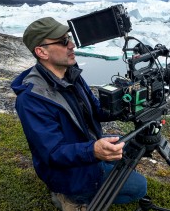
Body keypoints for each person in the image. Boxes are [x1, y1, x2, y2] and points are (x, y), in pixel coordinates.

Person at [11, 17, 147, 211]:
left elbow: (96, 110)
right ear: (42, 52)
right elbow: (52, 153)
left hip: (86, 147)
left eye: (69, 38)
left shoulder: (71, 74)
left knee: (127, 148)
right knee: (139, 188)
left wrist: (125, 104)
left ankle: (98, 175)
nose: (72, 45)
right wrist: (93, 151)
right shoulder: (32, 99)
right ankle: (68, 197)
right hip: (69, 173)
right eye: (63, 41)